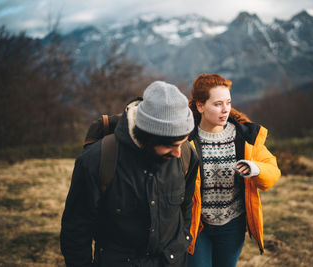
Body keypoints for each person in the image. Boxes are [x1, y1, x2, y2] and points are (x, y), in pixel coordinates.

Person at [60, 81, 199, 267]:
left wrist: (181, 241)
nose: (178, 153)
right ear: (147, 137)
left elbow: (185, 206)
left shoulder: (187, 156)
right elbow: (76, 231)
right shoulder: (96, 160)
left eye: (182, 143)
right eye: (170, 145)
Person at [186, 74, 281, 267]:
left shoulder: (245, 138)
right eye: (218, 104)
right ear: (200, 106)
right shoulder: (186, 140)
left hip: (232, 227)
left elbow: (273, 171)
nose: (225, 109)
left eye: (228, 102)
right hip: (197, 227)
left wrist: (256, 169)